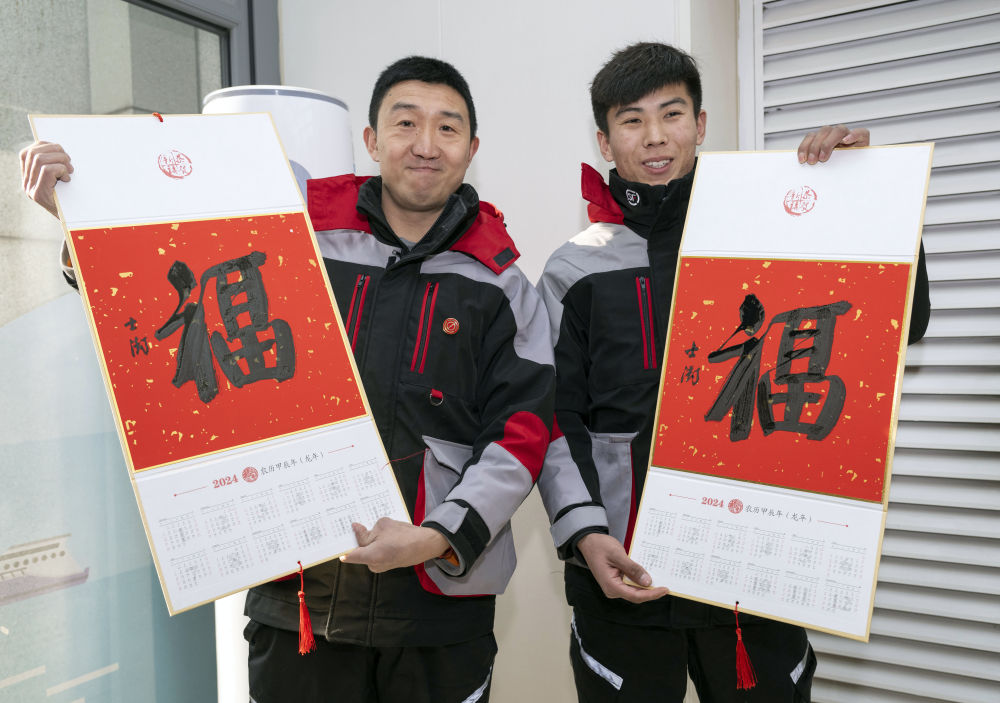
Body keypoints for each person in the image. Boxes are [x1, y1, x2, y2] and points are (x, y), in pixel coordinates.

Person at [20, 56, 555, 703]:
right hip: (298, 598)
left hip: (438, 609)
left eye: (447, 128)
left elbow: (521, 436)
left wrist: (437, 536)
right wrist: (80, 218)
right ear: (371, 140)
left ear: (471, 149)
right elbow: (185, 304)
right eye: (405, 122)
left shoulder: (503, 286)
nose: (425, 144)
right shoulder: (297, 235)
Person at [535, 42, 930, 703]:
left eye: (672, 114)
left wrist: (869, 197)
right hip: (624, 570)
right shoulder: (573, 268)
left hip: (755, 568)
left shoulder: (772, 232)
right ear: (604, 140)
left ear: (701, 124)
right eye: (632, 120)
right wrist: (583, 531)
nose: (655, 136)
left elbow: (902, 325)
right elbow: (552, 415)